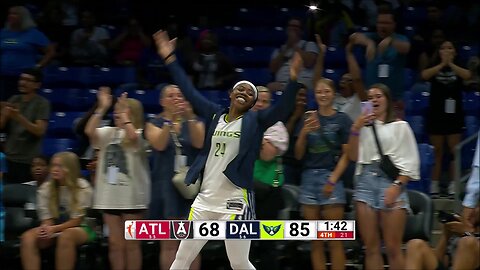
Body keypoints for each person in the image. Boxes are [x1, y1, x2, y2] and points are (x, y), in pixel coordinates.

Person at [153, 29, 303, 270]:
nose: (244, 93)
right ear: (231, 95)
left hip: (236, 201)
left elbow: (283, 109)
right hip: (204, 200)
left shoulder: (255, 122)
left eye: (250, 93)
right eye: (240, 90)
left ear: (253, 103)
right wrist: (170, 58)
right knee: (181, 258)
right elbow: (189, 91)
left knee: (238, 262)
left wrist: (294, 80)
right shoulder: (214, 114)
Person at [347, 83, 420, 270]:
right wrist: (355, 128)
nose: (374, 99)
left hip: (391, 182)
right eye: (370, 97)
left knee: (393, 247)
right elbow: (354, 157)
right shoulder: (363, 127)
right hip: (365, 181)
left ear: (388, 100)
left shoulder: (401, 126)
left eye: (378, 96)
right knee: (371, 248)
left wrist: (396, 186)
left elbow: (410, 164)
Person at [84, 87, 150, 270]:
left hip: (132, 198)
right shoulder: (108, 132)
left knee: (131, 243)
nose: (116, 114)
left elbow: (133, 138)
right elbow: (89, 131)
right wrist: (102, 107)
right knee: (115, 243)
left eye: (120, 111)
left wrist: (126, 118)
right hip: (108, 196)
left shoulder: (141, 133)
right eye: (116, 112)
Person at [294, 78, 352, 270]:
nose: (323, 95)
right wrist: (304, 132)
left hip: (331, 176)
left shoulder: (342, 119)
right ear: (315, 95)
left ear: (333, 94)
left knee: (334, 240)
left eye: (326, 91)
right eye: (319, 92)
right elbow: (298, 154)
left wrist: (333, 180)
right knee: (316, 240)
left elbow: (348, 154)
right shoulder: (307, 118)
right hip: (309, 178)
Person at [145, 84, 204, 270]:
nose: (175, 98)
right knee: (169, 242)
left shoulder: (194, 121)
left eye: (179, 95)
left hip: (189, 188)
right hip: (165, 188)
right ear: (162, 101)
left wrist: (189, 117)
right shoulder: (153, 123)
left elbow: (199, 142)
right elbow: (160, 145)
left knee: (191, 242)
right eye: (170, 96)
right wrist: (169, 121)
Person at [20, 151, 94, 270]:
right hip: (55, 227)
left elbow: (77, 221)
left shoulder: (83, 187)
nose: (54, 169)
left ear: (70, 168)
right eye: (53, 165)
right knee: (27, 237)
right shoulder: (46, 188)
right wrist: (45, 228)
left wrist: (53, 229)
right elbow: (47, 218)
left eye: (59, 166)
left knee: (66, 236)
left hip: (84, 227)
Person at [421, 40, 472, 197]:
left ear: (455, 52)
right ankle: (434, 186)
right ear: (439, 51)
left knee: (453, 152)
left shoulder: (459, 66)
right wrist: (442, 64)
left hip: (454, 115)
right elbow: (424, 75)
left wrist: (451, 64)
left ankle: (453, 186)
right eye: (443, 48)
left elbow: (467, 75)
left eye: (450, 47)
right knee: (437, 151)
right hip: (436, 114)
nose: (447, 50)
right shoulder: (435, 66)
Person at [251, 86, 289, 270]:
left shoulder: (278, 127)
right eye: (257, 100)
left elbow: (267, 154)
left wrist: (252, 137)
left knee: (268, 244)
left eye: (265, 101)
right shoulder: (239, 122)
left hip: (268, 192)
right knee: (242, 243)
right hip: (243, 191)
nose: (260, 104)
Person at [351, 9, 410, 119]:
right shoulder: (371, 37)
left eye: (386, 23)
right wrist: (369, 43)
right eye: (380, 23)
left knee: (395, 133)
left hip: (394, 100)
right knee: (369, 132)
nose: (382, 26)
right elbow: (354, 37)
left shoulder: (401, 39)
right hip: (369, 101)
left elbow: (405, 48)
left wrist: (390, 41)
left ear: (394, 25)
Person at [0, 68, 51, 184]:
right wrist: (4, 115)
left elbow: (39, 130)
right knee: (8, 195)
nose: (23, 82)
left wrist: (18, 117)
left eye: (28, 80)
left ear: (37, 85)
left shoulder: (42, 103)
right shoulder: (13, 99)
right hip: (9, 158)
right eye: (22, 79)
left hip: (28, 161)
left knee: (24, 196)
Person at [0, 5, 55, 100]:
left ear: (23, 17)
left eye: (15, 14)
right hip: (4, 76)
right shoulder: (3, 33)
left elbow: (50, 51)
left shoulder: (33, 34)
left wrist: (38, 66)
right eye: (10, 13)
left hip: (25, 77)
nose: (11, 16)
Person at [268, 17, 318, 92]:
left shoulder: (309, 45)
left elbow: (309, 63)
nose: (292, 28)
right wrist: (286, 48)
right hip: (282, 84)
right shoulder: (281, 49)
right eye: (290, 26)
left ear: (301, 31)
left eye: (295, 26)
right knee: (269, 87)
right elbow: (272, 69)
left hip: (302, 83)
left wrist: (295, 46)